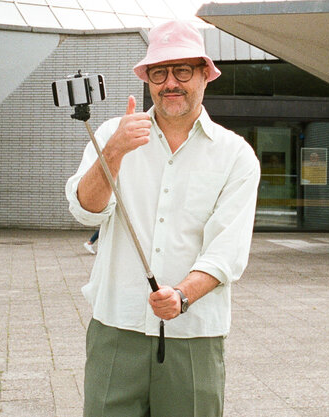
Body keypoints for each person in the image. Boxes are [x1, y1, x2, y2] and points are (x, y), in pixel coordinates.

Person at [65, 20, 260, 417]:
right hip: (115, 327)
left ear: (206, 74)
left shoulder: (235, 155)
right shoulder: (111, 134)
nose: (171, 82)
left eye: (183, 70)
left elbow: (227, 250)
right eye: (159, 72)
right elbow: (85, 210)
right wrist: (114, 152)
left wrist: (183, 295)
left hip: (194, 335)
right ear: (148, 80)